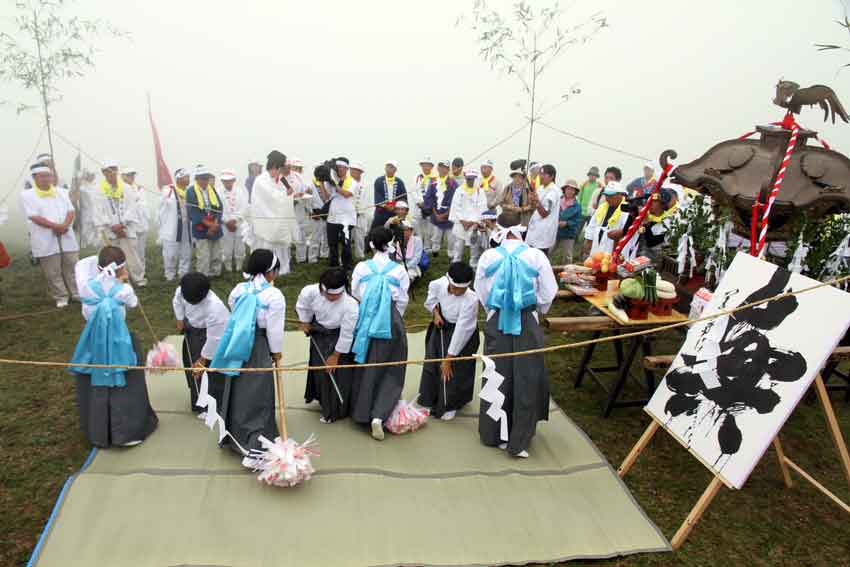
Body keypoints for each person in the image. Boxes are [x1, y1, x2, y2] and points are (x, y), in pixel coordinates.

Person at [474, 212, 558, 458]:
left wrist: (493, 309)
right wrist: (536, 309)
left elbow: (481, 290)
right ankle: (519, 436)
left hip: (497, 320)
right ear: (520, 229)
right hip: (525, 319)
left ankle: (494, 433)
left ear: (498, 229)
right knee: (526, 375)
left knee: (496, 374)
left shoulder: (488, 256)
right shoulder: (536, 255)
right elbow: (548, 291)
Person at [70, 246, 158, 447]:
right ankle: (127, 431)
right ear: (121, 268)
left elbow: (86, 298)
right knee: (124, 380)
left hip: (93, 342)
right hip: (119, 342)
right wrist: (123, 281)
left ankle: (99, 430)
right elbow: (134, 303)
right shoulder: (123, 290)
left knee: (96, 382)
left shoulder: (88, 287)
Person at [210, 249, 285, 460]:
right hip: (258, 345)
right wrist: (276, 352)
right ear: (271, 272)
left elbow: (236, 312)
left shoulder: (238, 290)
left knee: (238, 387)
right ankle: (255, 442)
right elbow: (274, 329)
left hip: (235, 344)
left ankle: (234, 433)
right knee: (258, 391)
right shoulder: (274, 295)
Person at [350, 226, 410, 441]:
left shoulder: (361, 268)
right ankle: (380, 413)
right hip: (390, 319)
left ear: (372, 245)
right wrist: (394, 315)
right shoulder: (399, 270)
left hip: (366, 317)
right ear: (391, 243)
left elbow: (355, 292)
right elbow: (403, 299)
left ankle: (362, 410)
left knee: (366, 364)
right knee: (392, 366)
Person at [418, 261, 481, 420]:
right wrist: (436, 314)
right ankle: (429, 397)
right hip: (442, 327)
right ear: (448, 280)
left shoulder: (471, 299)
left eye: (462, 290)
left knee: (455, 369)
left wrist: (449, 359)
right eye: (454, 288)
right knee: (433, 361)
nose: (457, 292)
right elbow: (431, 301)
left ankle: (451, 403)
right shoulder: (437, 284)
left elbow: (462, 329)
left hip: (463, 334)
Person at [297, 268, 359, 423]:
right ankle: (321, 398)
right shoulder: (310, 292)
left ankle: (336, 410)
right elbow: (303, 306)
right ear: (321, 288)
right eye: (327, 294)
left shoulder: (350, 305)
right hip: (319, 333)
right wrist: (305, 321)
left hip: (338, 336)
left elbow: (347, 333)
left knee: (336, 372)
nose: (331, 298)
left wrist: (335, 356)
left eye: (335, 295)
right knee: (320, 371)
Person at [19, 162, 80, 307]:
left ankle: (76, 292)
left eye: (48, 176)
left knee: (72, 265)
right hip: (44, 237)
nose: (47, 179)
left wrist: (64, 225)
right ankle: (61, 296)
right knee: (52, 271)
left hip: (66, 234)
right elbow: (33, 216)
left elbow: (71, 211)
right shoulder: (27, 195)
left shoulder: (61, 192)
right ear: (34, 178)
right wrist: (55, 226)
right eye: (43, 176)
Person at [173, 272, 230, 412]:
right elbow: (177, 301)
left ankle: (215, 405)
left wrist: (203, 359)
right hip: (193, 332)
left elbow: (215, 338)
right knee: (193, 370)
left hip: (211, 337)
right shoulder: (183, 290)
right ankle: (199, 402)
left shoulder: (215, 308)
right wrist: (180, 318)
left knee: (210, 372)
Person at [243, 150, 300, 275]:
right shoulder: (261, 180)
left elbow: (287, 192)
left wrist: (289, 193)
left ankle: (282, 269)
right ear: (274, 166)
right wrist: (286, 195)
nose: (281, 172)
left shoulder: (279, 179)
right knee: (265, 246)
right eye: (280, 168)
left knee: (281, 245)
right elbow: (272, 197)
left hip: (279, 220)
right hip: (265, 220)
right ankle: (264, 270)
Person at [92, 161, 147, 286]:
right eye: (108, 170)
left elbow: (132, 207)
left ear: (117, 170)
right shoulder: (97, 190)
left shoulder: (126, 188)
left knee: (131, 254)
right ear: (103, 172)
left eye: (113, 169)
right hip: (109, 229)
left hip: (126, 228)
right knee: (110, 255)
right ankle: (113, 279)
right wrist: (113, 227)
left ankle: (138, 278)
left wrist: (122, 224)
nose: (111, 172)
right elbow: (98, 211)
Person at [157, 168, 194, 281]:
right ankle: (170, 274)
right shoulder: (168, 191)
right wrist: (161, 227)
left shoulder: (189, 192)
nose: (188, 179)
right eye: (185, 177)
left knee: (186, 251)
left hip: (186, 227)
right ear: (178, 178)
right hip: (171, 228)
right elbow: (160, 211)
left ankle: (183, 273)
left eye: (188, 177)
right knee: (170, 253)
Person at [186, 166, 224, 277]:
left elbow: (219, 207)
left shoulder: (212, 189)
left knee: (216, 252)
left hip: (215, 226)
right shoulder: (191, 191)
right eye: (202, 178)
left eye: (206, 178)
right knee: (203, 254)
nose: (204, 181)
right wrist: (209, 225)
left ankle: (215, 273)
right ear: (196, 179)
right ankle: (202, 275)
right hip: (201, 228)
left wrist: (215, 223)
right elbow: (193, 212)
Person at [450, 167, 488, 265]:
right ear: (465, 178)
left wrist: (473, 222)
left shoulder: (480, 191)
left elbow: (482, 208)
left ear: (475, 178)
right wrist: (463, 221)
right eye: (468, 179)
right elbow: (455, 207)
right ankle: (456, 262)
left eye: (472, 179)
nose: (470, 181)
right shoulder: (459, 190)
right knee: (459, 244)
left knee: (474, 245)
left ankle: (473, 263)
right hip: (461, 223)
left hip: (474, 224)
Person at [326, 158, 358, 272]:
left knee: (345, 244)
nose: (338, 169)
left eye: (340, 167)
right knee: (332, 244)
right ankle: (333, 266)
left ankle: (347, 266)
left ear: (346, 168)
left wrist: (334, 184)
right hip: (333, 217)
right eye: (337, 167)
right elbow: (326, 197)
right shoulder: (332, 182)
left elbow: (346, 194)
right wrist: (322, 182)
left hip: (346, 218)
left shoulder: (352, 181)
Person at [583, 180, 630, 256]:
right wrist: (588, 242)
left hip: (614, 252)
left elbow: (627, 231)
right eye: (606, 195)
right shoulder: (602, 207)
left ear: (620, 195)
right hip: (596, 250)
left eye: (611, 195)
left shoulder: (627, 210)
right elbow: (591, 227)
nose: (608, 198)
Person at [525, 164, 560, 255]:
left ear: (552, 176)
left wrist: (536, 202)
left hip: (543, 232)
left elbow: (544, 213)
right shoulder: (540, 188)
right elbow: (534, 207)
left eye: (544, 174)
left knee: (539, 258)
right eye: (540, 174)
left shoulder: (553, 191)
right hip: (534, 229)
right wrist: (532, 200)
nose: (541, 177)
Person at [423, 159, 456, 255]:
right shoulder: (433, 182)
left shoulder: (452, 183)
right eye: (441, 167)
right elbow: (429, 198)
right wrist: (436, 213)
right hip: (436, 213)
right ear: (438, 168)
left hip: (449, 214)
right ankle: (435, 251)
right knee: (436, 236)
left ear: (448, 169)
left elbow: (455, 201)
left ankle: (451, 255)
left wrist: (446, 214)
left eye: (445, 167)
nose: (442, 169)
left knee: (451, 238)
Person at [285, 157, 314, 264]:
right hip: (287, 213)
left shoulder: (298, 177)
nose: (296, 169)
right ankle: (286, 259)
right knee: (287, 238)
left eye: (299, 168)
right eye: (294, 167)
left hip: (300, 210)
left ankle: (301, 259)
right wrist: (292, 199)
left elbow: (306, 188)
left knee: (301, 235)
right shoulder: (281, 179)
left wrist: (306, 191)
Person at [219, 169, 249, 273]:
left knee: (240, 247)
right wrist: (226, 221)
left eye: (229, 180)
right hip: (225, 225)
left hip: (239, 224)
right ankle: (228, 268)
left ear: (234, 180)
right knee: (226, 247)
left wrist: (235, 220)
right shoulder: (218, 192)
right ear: (222, 181)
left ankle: (239, 266)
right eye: (225, 181)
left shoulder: (241, 191)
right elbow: (218, 209)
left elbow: (244, 207)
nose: (227, 183)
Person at [121, 167, 149, 275]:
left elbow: (143, 205)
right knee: (129, 252)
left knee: (141, 251)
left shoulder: (140, 189)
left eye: (132, 175)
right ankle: (127, 273)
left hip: (141, 224)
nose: (131, 177)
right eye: (129, 175)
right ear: (123, 176)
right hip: (128, 225)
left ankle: (141, 271)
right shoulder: (120, 189)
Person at [638, 189, 677, 263]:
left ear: (663, 204)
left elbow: (652, 243)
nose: (649, 203)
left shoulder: (668, 221)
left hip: (655, 264)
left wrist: (646, 223)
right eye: (649, 200)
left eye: (654, 201)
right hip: (639, 260)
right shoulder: (646, 215)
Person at [554, 180, 583, 265]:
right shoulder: (558, 201)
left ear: (575, 192)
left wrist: (567, 223)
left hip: (569, 233)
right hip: (555, 231)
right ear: (564, 189)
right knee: (549, 250)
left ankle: (566, 274)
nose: (570, 191)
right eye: (568, 189)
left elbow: (577, 221)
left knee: (568, 256)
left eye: (572, 189)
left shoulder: (577, 206)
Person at [372, 160, 407, 229]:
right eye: (388, 166)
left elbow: (403, 198)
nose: (389, 169)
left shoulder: (399, 182)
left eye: (392, 167)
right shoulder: (379, 180)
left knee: (396, 231)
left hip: (395, 212)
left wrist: (396, 206)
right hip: (381, 212)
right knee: (377, 230)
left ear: (395, 170)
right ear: (385, 168)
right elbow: (378, 196)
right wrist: (386, 206)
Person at [412, 157, 437, 244]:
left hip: (430, 208)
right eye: (424, 165)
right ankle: (419, 245)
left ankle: (427, 246)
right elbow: (413, 191)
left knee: (429, 230)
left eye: (428, 165)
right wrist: (420, 202)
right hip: (418, 206)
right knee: (418, 228)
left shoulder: (435, 178)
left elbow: (436, 192)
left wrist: (429, 204)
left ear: (431, 166)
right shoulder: (417, 177)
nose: (426, 167)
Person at [350, 161, 370, 259]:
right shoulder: (347, 182)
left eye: (355, 171)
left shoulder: (366, 185)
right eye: (352, 170)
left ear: (360, 172)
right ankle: (346, 257)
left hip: (361, 214)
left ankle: (360, 256)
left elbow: (366, 200)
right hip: (348, 214)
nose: (353, 172)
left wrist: (358, 212)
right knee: (346, 236)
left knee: (360, 236)